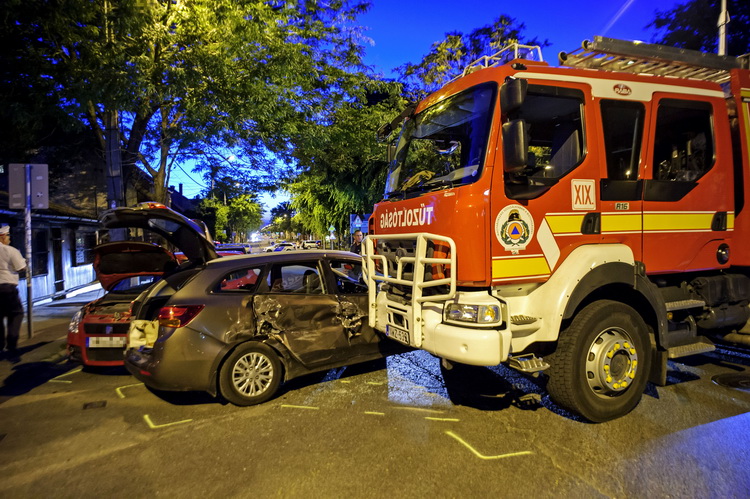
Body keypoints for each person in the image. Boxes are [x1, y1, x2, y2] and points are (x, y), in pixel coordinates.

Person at [0, 225, 26, 361]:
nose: (9, 239)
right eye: (8, 236)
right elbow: (21, 267)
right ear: (3, 236)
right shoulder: (10, 250)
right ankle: (11, 346)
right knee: (16, 314)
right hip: (7, 289)